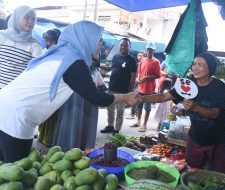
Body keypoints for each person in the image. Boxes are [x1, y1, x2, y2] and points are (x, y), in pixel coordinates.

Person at [0, 20, 137, 162]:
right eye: (98, 40)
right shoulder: (74, 62)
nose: (101, 45)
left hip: (6, 105)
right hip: (16, 117)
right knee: (15, 170)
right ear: (85, 39)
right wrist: (126, 97)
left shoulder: (61, 52)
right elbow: (97, 98)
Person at [140, 52, 225, 174]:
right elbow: (164, 96)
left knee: (218, 174)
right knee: (191, 171)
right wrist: (143, 98)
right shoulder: (188, 83)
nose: (195, 68)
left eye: (200, 65)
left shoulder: (217, 86)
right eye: (194, 64)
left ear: (210, 69)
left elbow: (215, 113)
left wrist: (195, 107)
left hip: (217, 139)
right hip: (196, 136)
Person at [53, 39, 105, 151]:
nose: (101, 45)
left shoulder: (93, 60)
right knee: (72, 129)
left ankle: (81, 155)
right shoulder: (76, 59)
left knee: (85, 131)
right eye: (98, 41)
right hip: (75, 102)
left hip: (89, 101)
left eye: (101, 42)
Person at [100, 38, 137, 135]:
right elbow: (113, 71)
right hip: (111, 88)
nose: (123, 47)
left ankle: (117, 129)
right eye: (121, 45)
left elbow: (133, 78)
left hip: (123, 91)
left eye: (125, 45)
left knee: (120, 111)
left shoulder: (132, 60)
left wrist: (130, 93)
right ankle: (110, 126)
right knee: (110, 109)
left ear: (129, 47)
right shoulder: (115, 57)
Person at [0, 5, 42, 89]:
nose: (30, 21)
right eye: (26, 17)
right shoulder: (2, 36)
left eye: (33, 19)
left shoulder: (34, 45)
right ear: (17, 18)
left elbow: (36, 71)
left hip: (16, 91)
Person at [37, 28, 62, 147]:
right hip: (43, 87)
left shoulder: (61, 55)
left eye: (51, 41)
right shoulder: (43, 52)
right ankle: (41, 135)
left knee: (52, 116)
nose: (48, 43)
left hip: (55, 89)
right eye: (47, 41)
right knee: (42, 114)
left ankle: (49, 139)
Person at [130, 42, 161, 132]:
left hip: (149, 89)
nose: (149, 51)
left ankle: (144, 124)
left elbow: (158, 75)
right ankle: (138, 121)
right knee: (139, 105)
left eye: (151, 49)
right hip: (140, 87)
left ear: (154, 50)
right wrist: (137, 78)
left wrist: (148, 77)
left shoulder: (156, 62)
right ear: (146, 50)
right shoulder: (143, 60)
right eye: (148, 49)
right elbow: (139, 72)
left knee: (147, 107)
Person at [126, 51, 145, 119]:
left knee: (138, 98)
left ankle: (136, 114)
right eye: (138, 55)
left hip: (142, 83)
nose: (139, 57)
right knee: (134, 96)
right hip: (135, 83)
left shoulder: (145, 64)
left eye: (141, 55)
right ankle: (133, 113)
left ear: (144, 56)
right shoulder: (136, 64)